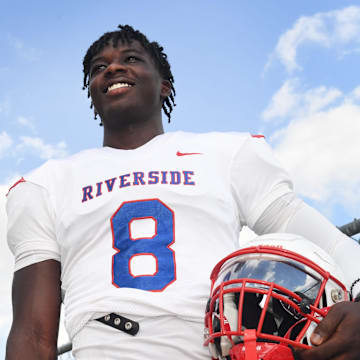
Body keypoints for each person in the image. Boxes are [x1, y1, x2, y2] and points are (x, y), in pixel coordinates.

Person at [5, 25, 360, 360]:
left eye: (130, 59)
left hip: (214, 348)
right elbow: (33, 333)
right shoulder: (46, 185)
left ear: (164, 86)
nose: (112, 68)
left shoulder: (227, 154)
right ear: (91, 92)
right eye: (99, 67)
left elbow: (328, 242)